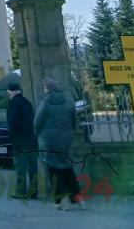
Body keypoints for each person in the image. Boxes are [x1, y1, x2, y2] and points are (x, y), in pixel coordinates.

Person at [34, 77, 82, 210]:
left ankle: (61, 201)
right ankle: (78, 199)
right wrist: (69, 133)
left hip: (49, 142)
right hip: (65, 141)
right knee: (67, 169)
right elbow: (74, 120)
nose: (44, 90)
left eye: (45, 87)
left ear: (48, 88)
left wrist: (37, 133)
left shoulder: (45, 103)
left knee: (54, 171)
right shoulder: (68, 100)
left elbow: (37, 122)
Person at [6, 81, 38, 199]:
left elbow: (12, 123)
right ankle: (34, 192)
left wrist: (12, 138)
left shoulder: (13, 104)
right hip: (31, 140)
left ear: (11, 92)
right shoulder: (27, 102)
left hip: (20, 141)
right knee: (33, 167)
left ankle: (21, 191)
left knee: (21, 168)